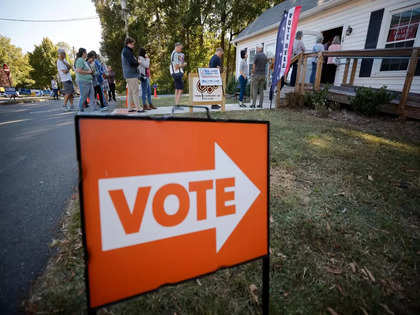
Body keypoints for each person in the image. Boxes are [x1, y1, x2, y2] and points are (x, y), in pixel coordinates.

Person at [122, 37, 143, 112]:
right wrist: (138, 62)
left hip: (128, 74)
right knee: (135, 91)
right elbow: (132, 63)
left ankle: (130, 108)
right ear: (128, 43)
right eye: (132, 44)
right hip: (131, 74)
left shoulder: (126, 51)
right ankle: (138, 108)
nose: (133, 46)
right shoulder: (127, 51)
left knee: (130, 92)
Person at [75, 48, 96, 112]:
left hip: (89, 81)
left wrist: (91, 71)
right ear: (83, 53)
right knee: (83, 97)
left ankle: (94, 111)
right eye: (86, 52)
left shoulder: (84, 61)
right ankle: (80, 110)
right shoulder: (80, 60)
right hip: (83, 81)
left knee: (92, 97)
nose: (86, 54)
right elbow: (79, 70)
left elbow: (87, 70)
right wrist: (89, 72)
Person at [170, 42, 187, 109]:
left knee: (177, 89)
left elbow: (177, 64)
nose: (181, 50)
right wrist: (184, 64)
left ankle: (176, 104)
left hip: (175, 73)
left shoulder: (174, 53)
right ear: (177, 47)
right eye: (180, 48)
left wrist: (182, 60)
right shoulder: (175, 54)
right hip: (177, 73)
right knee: (180, 89)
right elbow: (176, 67)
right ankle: (177, 105)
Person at [251, 44, 268, 108]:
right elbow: (266, 63)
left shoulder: (256, 55)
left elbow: (254, 65)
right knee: (261, 90)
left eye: (257, 48)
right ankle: (260, 105)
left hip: (257, 74)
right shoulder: (265, 56)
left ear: (259, 48)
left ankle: (253, 104)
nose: (256, 49)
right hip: (263, 75)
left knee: (255, 89)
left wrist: (253, 72)